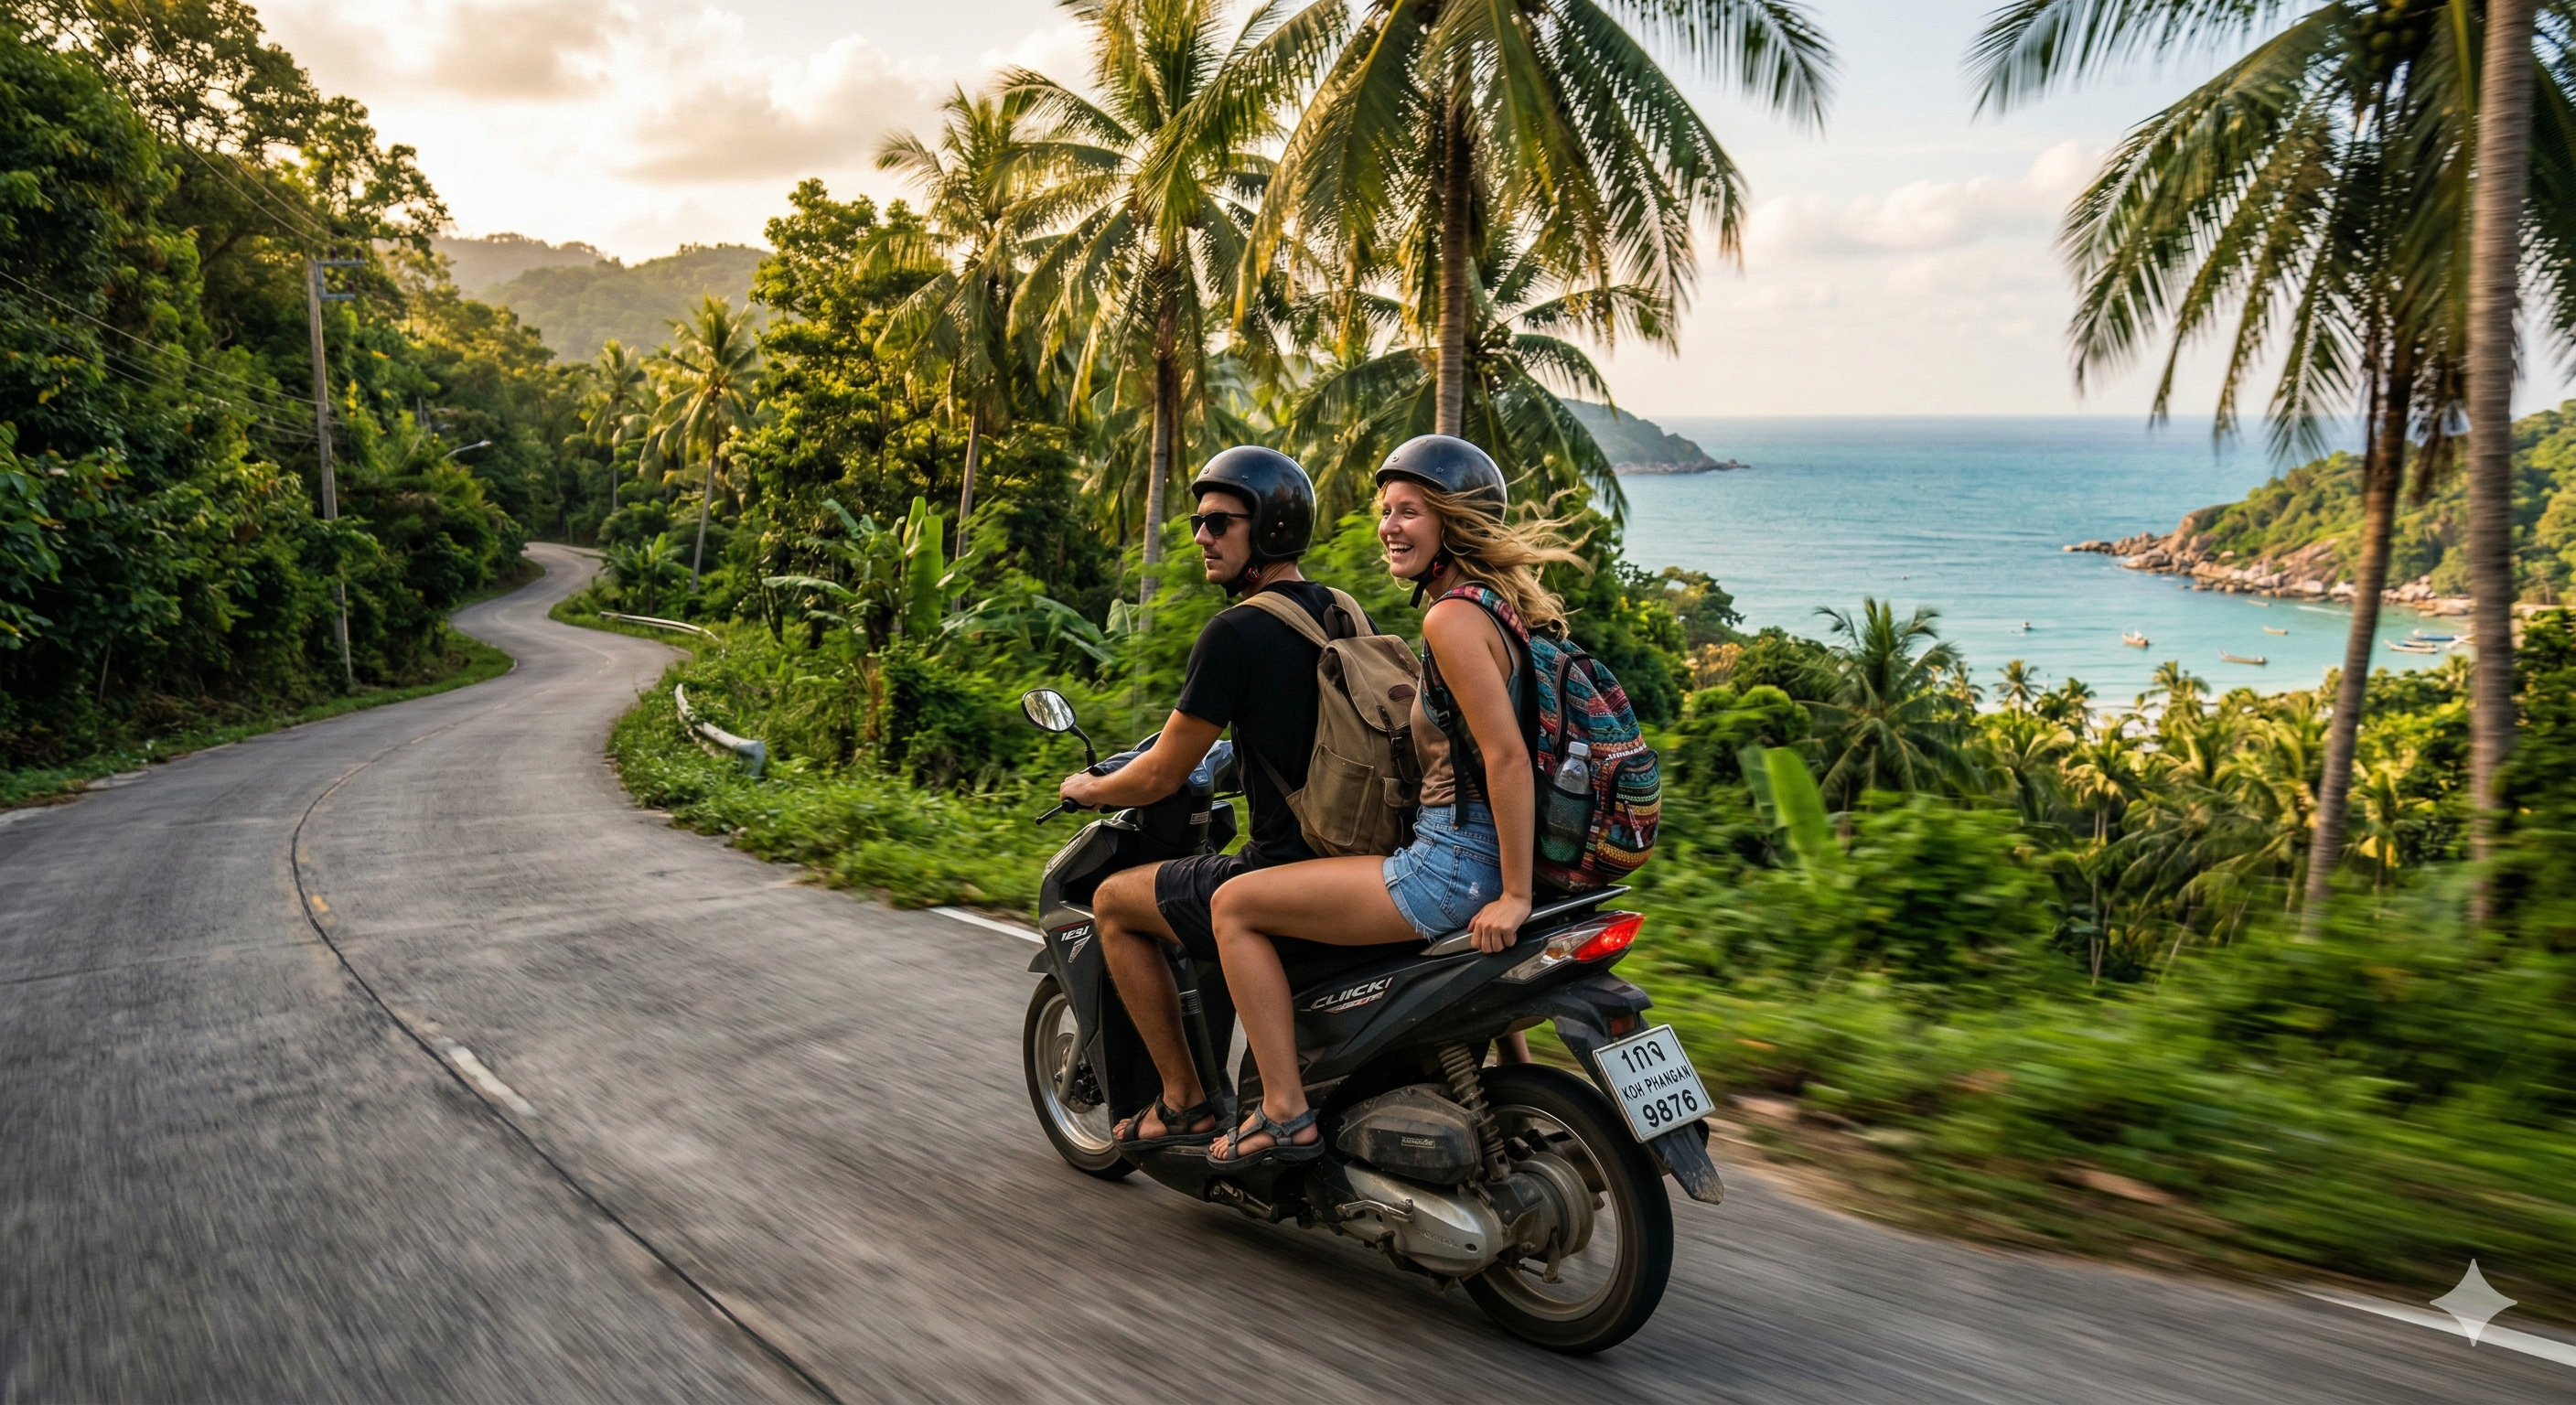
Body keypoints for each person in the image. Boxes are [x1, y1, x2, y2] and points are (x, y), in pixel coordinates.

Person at [1200, 434, 1583, 1170]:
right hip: (1492, 857)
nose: (1389, 527)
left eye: (1410, 511)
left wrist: (1511, 897)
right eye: (1386, 511)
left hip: (1449, 870)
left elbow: (1505, 757)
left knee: (1234, 906)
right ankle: (1519, 1103)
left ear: (1453, 522)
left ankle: (1284, 1114)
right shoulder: (1502, 608)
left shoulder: (1450, 619)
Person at [1054, 445, 1367, 1152]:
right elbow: (1303, 730)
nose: (1202, 536)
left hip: (1281, 867)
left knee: (1114, 903)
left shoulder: (1235, 631)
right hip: (1355, 859)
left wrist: (1089, 789)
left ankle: (1184, 1101)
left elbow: (1160, 776)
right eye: (1198, 521)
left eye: (1220, 522)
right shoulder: (1341, 609)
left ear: (1270, 530)